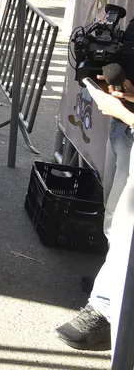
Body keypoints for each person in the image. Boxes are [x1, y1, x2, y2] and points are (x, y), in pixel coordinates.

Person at [55, 80, 134, 352]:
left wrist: (124, 113)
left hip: (126, 121)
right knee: (115, 221)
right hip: (124, 128)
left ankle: (107, 308)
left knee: (126, 231)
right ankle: (114, 290)